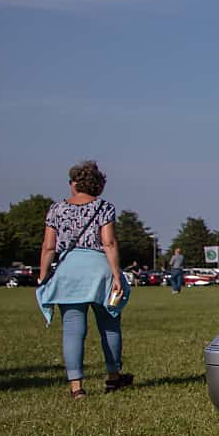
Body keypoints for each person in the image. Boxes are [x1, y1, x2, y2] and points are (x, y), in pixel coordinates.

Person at [36, 160, 133, 397]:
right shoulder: (104, 207)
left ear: (75, 183)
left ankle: (76, 386)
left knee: (73, 330)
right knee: (110, 324)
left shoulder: (56, 209)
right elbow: (109, 242)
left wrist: (43, 275)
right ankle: (113, 377)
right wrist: (116, 274)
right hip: (100, 270)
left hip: (69, 272)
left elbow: (48, 247)